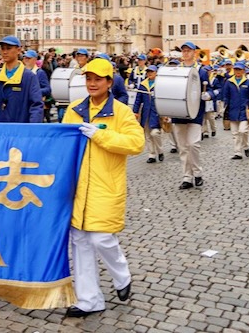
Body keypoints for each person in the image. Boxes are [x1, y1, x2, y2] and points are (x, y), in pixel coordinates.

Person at [62, 57, 144, 318]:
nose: (92, 83)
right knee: (80, 242)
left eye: (98, 79)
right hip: (77, 188)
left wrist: (100, 135)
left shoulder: (120, 111)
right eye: (88, 79)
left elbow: (135, 143)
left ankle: (122, 274)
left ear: (109, 82)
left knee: (100, 237)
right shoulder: (74, 109)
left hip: (105, 185)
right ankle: (89, 300)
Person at [169, 42, 210, 190]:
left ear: (194, 53)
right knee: (183, 147)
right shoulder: (176, 70)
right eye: (184, 51)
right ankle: (187, 176)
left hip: (195, 112)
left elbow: (212, 89)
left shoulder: (201, 70)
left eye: (188, 51)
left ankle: (197, 173)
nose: (186, 53)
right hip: (179, 113)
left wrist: (208, 94)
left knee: (193, 144)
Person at [0, 36, 43, 123]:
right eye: (2, 48)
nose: (5, 52)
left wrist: (32, 130)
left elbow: (36, 105)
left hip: (18, 130)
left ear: (18, 50)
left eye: (9, 48)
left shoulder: (29, 77)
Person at [217, 61, 249, 160]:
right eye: (236, 69)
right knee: (235, 133)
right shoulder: (229, 82)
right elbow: (225, 95)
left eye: (239, 69)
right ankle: (237, 152)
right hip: (232, 110)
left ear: (243, 71)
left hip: (244, 111)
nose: (238, 71)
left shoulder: (248, 82)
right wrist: (224, 107)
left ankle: (246, 146)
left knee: (243, 131)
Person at [133, 65, 163, 163]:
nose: (149, 73)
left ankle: (160, 151)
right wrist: (135, 111)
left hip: (156, 112)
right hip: (146, 112)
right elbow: (138, 99)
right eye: (148, 72)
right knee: (148, 135)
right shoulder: (143, 84)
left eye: (151, 72)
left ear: (156, 73)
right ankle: (151, 155)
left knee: (155, 133)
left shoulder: (159, 83)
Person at [22, 50, 51, 121]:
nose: (26, 60)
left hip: (35, 104)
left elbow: (47, 89)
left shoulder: (40, 73)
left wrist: (35, 92)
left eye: (29, 58)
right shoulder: (20, 72)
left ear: (34, 60)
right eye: (25, 58)